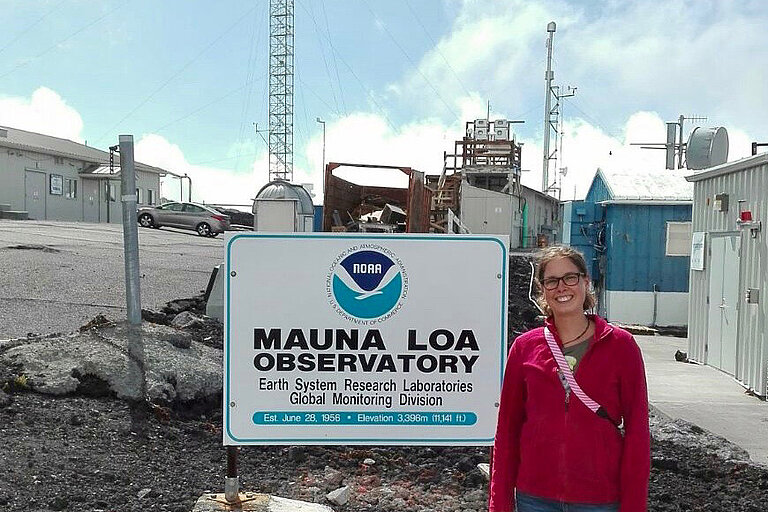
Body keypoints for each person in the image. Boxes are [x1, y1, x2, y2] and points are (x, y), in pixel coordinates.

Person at [489, 246, 650, 512]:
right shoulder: (524, 348)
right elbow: (506, 432)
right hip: (535, 497)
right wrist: (500, 505)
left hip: (599, 500)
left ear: (586, 282)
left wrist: (633, 505)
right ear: (543, 290)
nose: (562, 287)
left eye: (570, 278)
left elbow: (637, 433)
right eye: (551, 281)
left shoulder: (621, 347)